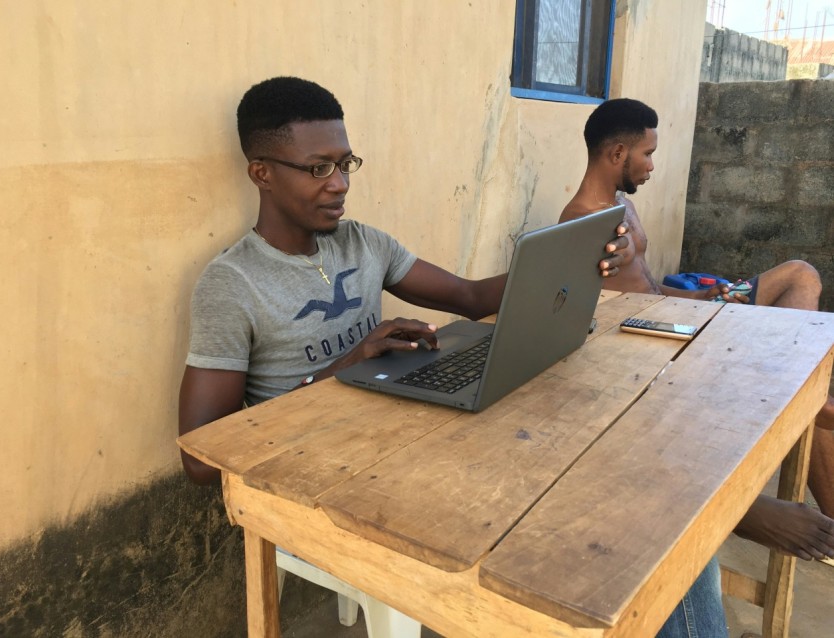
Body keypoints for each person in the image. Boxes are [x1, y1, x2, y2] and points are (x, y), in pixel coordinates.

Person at [178, 76, 735, 638]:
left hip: (406, 444)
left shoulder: (364, 243)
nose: (340, 183)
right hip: (322, 484)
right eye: (318, 168)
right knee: (569, 521)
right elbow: (201, 460)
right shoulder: (232, 284)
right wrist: (341, 370)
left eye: (346, 164)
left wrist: (576, 261)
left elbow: (467, 298)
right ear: (262, 173)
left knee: (640, 498)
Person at [561, 97, 834, 560]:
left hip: (681, 311)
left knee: (800, 275)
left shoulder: (620, 204)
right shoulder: (581, 223)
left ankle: (801, 386)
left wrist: (707, 297)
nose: (652, 166)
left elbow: (648, 287)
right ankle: (804, 394)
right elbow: (608, 316)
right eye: (647, 154)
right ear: (617, 153)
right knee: (811, 402)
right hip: (663, 339)